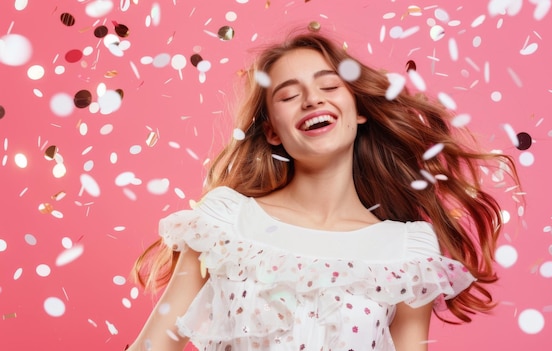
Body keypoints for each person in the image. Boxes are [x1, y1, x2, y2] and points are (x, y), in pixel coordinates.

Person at [127, 28, 519, 351]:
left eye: (329, 87)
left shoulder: (407, 251)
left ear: (359, 109)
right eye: (289, 95)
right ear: (272, 131)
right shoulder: (225, 221)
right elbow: (155, 346)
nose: (312, 99)